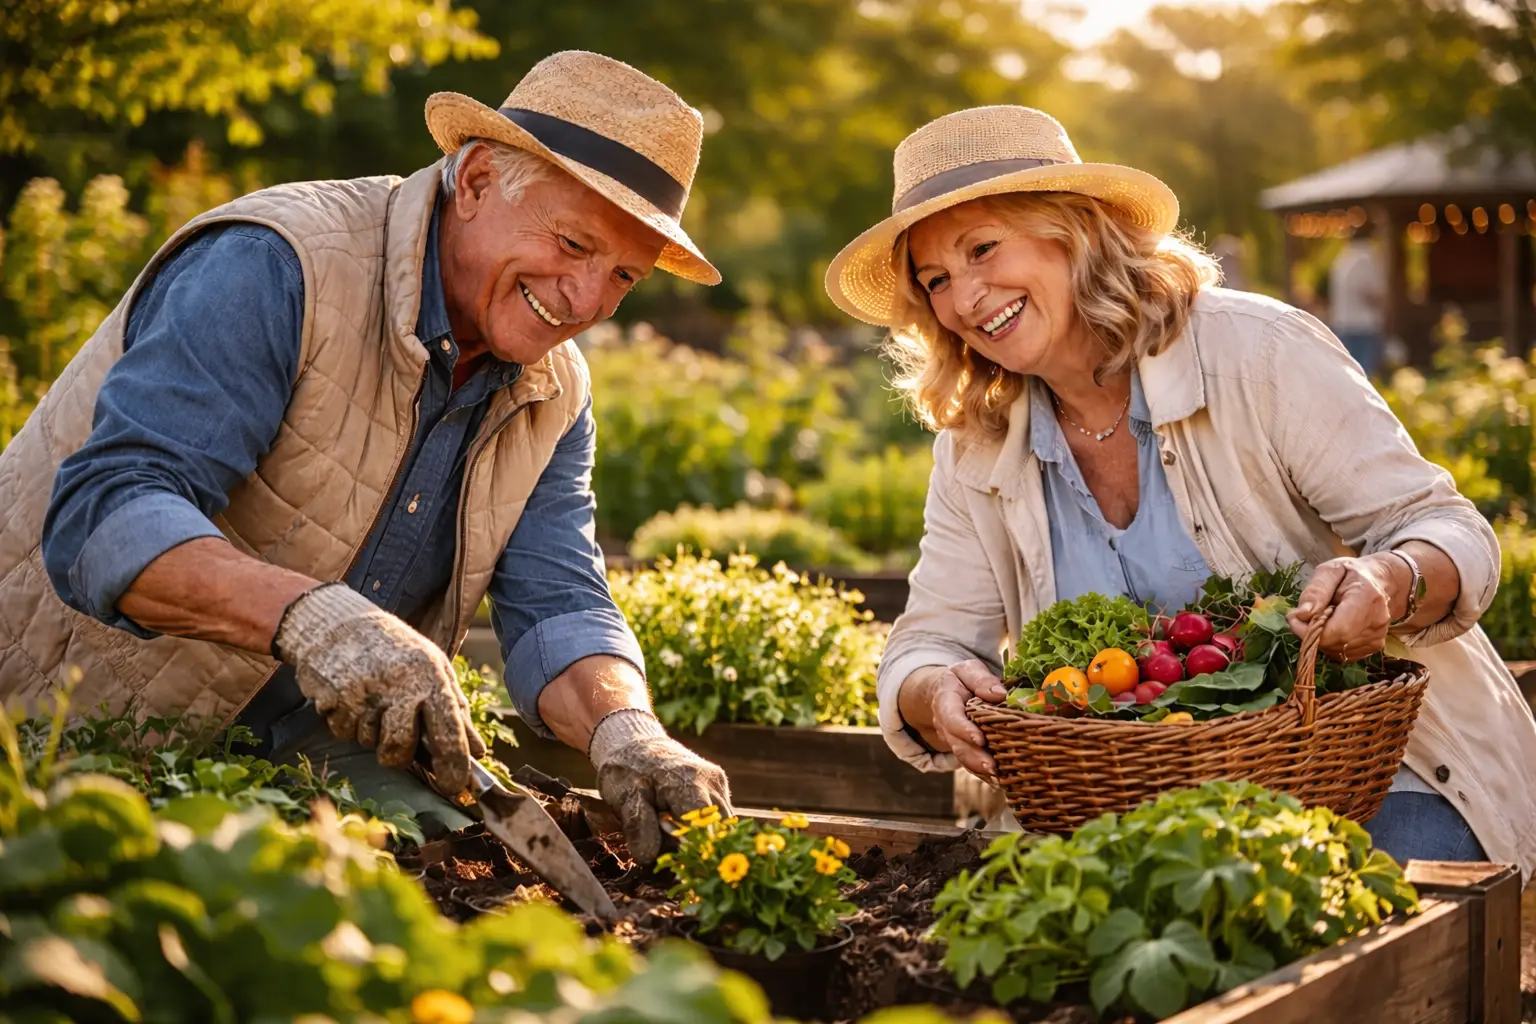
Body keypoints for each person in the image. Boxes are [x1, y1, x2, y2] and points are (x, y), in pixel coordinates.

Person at [0, 51, 731, 863]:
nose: (585, 300)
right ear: (479, 179)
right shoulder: (279, 263)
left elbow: (559, 603)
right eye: (571, 243)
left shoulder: (552, 390)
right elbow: (106, 515)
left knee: (469, 885)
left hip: (311, 749)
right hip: (66, 725)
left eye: (622, 276)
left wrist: (627, 729)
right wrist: (318, 619)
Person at [823, 105, 1536, 878]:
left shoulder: (1256, 352)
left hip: (1376, 779)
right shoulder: (976, 444)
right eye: (936, 281)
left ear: (1073, 229)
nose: (965, 298)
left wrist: (1387, 580)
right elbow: (926, 642)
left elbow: (1447, 529)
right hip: (1132, 819)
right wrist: (932, 693)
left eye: (983, 249)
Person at [1328, 220, 1388, 376]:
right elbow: (1371, 292)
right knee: (1363, 375)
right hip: (1363, 325)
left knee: (1348, 374)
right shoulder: (1366, 257)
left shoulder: (1343, 258)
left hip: (1343, 323)